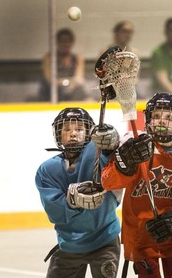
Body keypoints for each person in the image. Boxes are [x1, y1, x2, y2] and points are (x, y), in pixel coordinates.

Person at [101, 93, 172, 277]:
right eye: (156, 116)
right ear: (148, 119)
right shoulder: (135, 147)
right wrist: (126, 162)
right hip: (142, 238)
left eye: (169, 117)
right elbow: (108, 181)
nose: (161, 121)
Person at [35, 107, 123, 278]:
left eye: (79, 129)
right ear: (58, 134)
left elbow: (121, 165)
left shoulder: (102, 157)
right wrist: (72, 201)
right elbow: (55, 211)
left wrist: (112, 143)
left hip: (104, 240)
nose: (73, 134)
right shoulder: (47, 170)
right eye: (67, 129)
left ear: (89, 133)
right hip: (70, 244)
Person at [39, 28, 88, 102]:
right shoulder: (49, 58)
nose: (66, 44)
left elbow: (79, 79)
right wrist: (67, 82)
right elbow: (50, 80)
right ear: (57, 43)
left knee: (83, 94)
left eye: (69, 42)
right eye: (63, 41)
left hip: (72, 93)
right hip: (51, 95)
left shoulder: (77, 58)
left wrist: (68, 83)